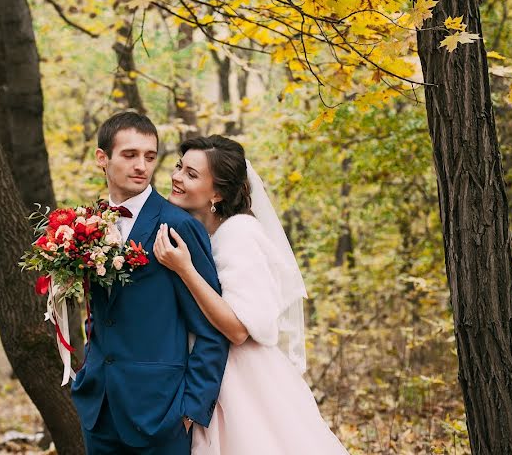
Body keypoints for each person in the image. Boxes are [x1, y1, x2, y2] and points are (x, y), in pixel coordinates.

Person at [154, 135, 349, 455]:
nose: (176, 177)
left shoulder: (238, 234)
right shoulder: (205, 232)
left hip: (244, 381)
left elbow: (239, 328)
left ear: (216, 192)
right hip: (212, 374)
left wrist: (185, 269)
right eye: (179, 167)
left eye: (191, 174)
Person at [71, 112, 230, 455]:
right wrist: (87, 372)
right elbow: (100, 311)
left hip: (161, 412)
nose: (141, 165)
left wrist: (190, 409)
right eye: (129, 155)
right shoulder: (88, 226)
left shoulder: (177, 226)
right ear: (103, 158)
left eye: (150, 156)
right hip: (99, 408)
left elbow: (210, 327)